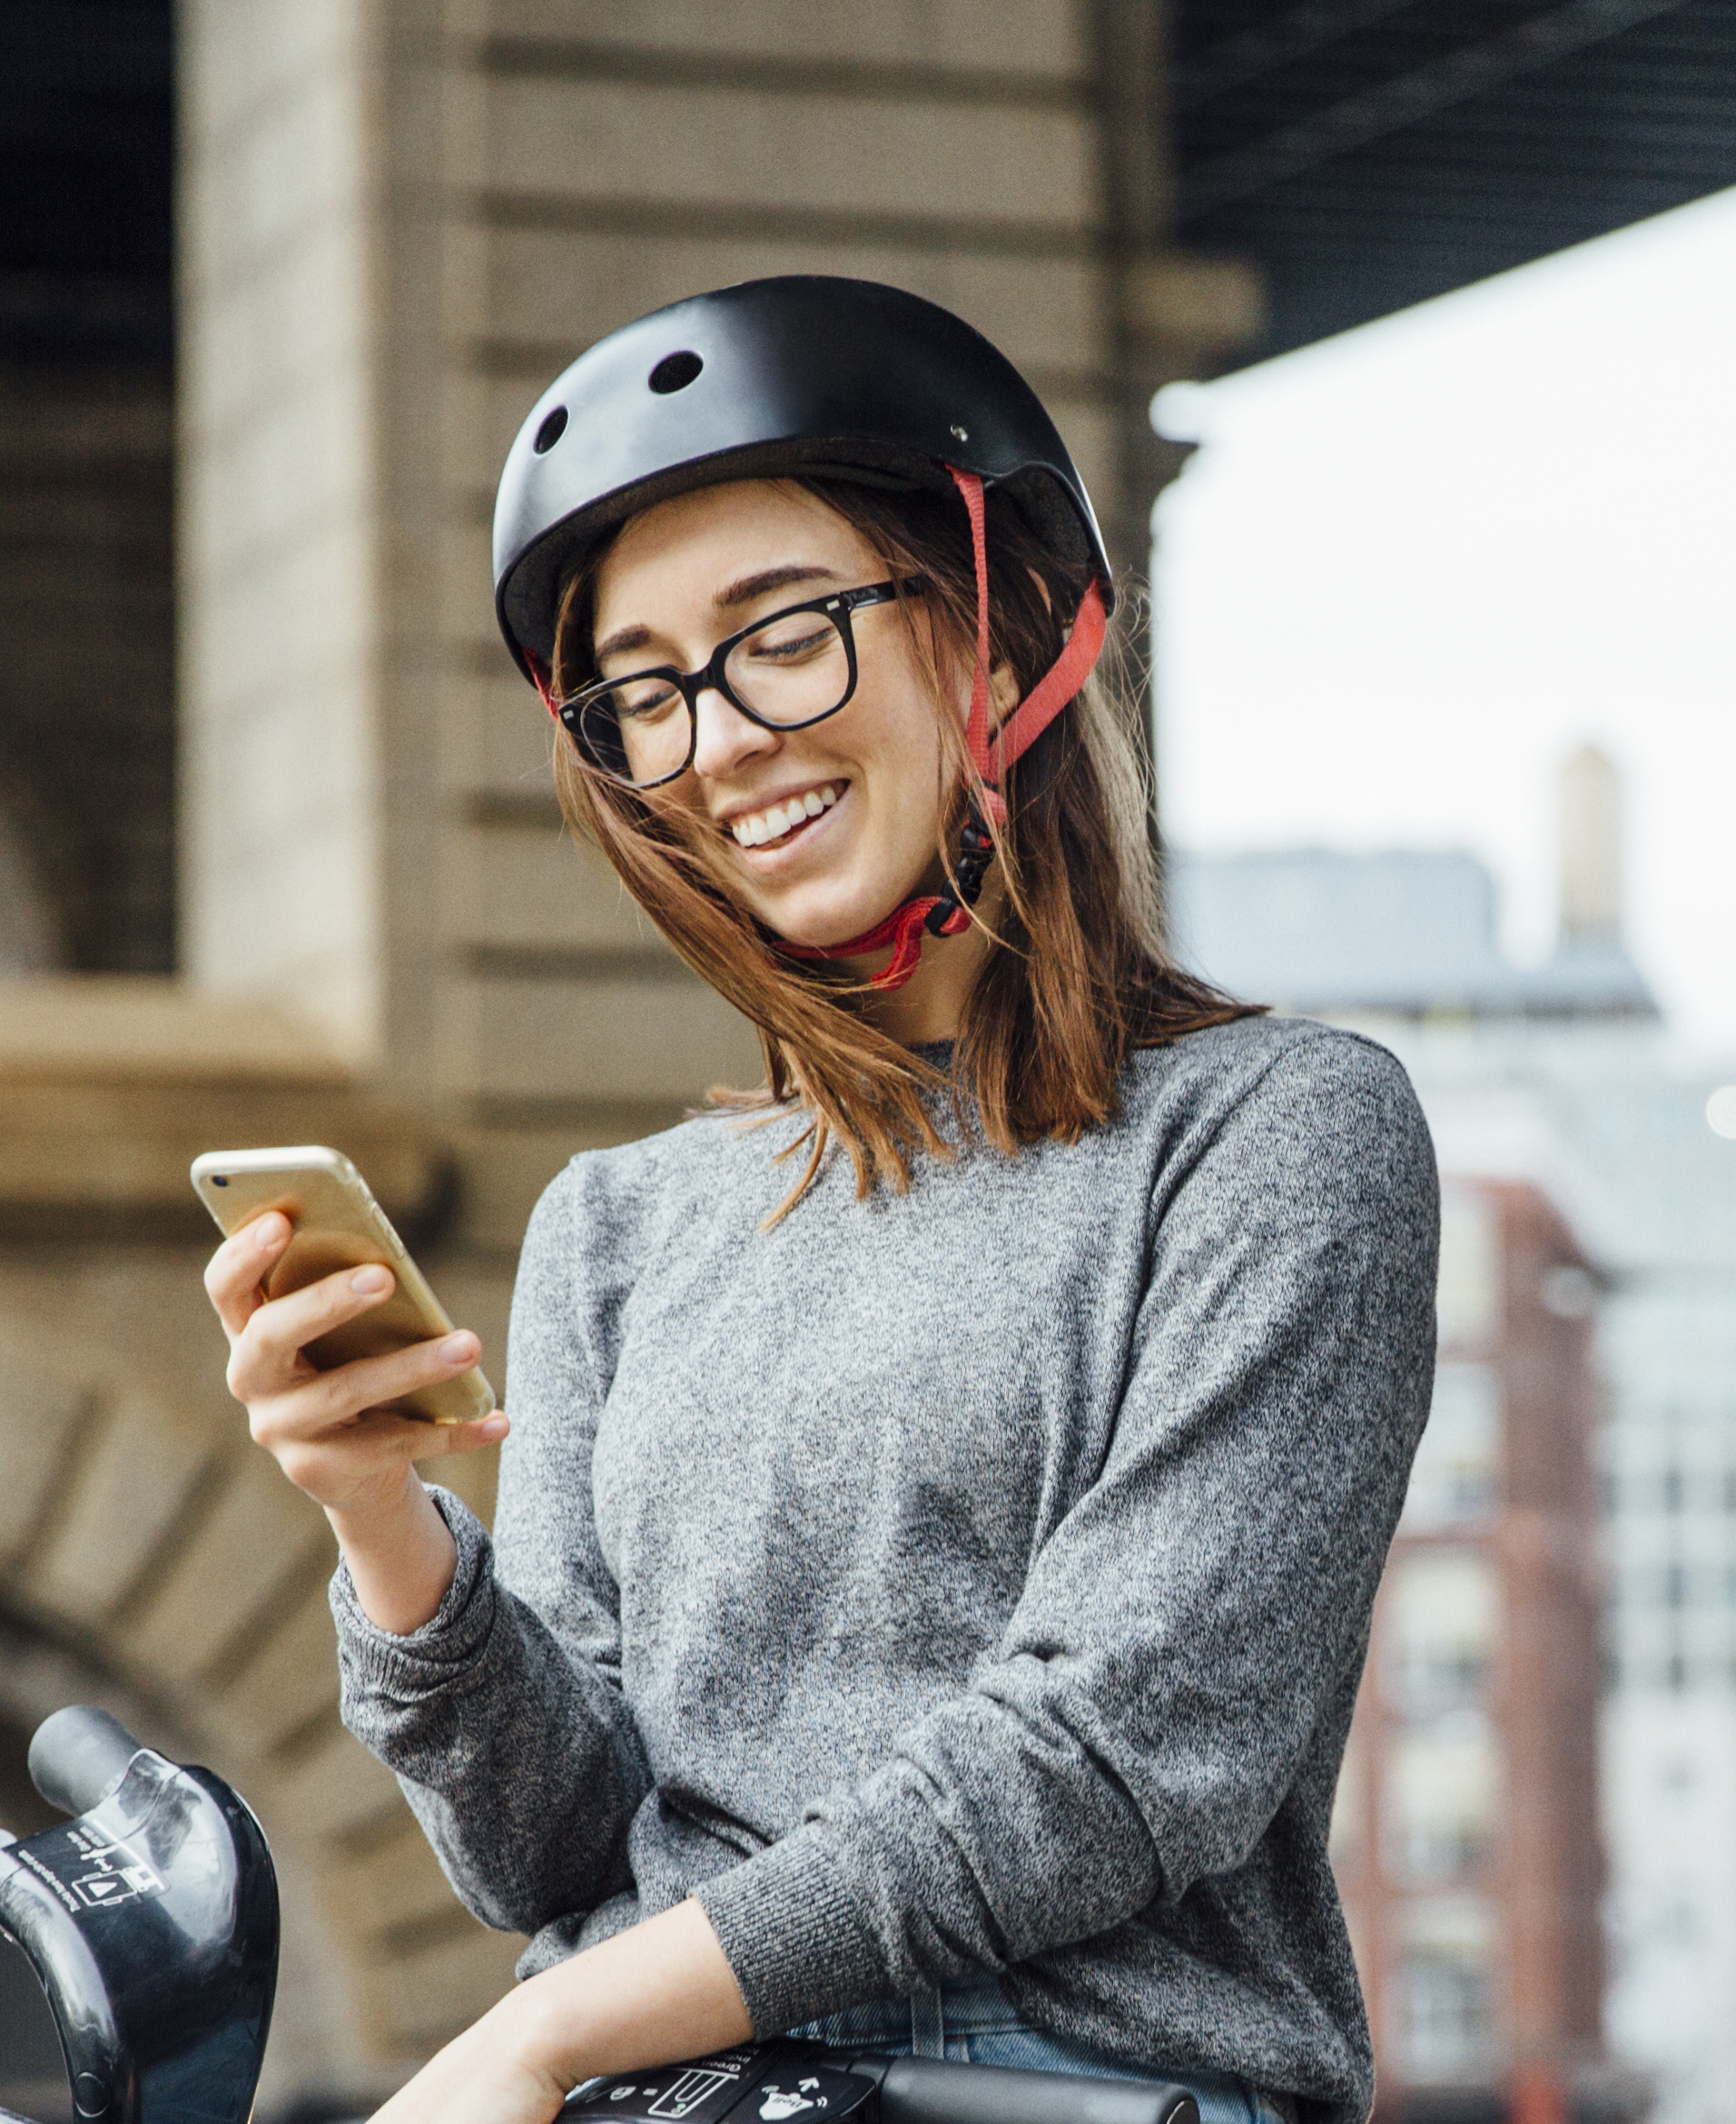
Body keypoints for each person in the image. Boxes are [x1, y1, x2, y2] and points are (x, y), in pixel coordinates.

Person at [201, 278, 1438, 2124]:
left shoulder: (1277, 1135)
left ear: (1006, 639)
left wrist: (546, 2031)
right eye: (643, 693)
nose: (712, 739)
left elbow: (1110, 1757)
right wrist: (383, 1516)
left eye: (781, 634)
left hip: (1063, 2088)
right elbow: (552, 1853)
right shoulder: (620, 1226)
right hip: (674, 2089)